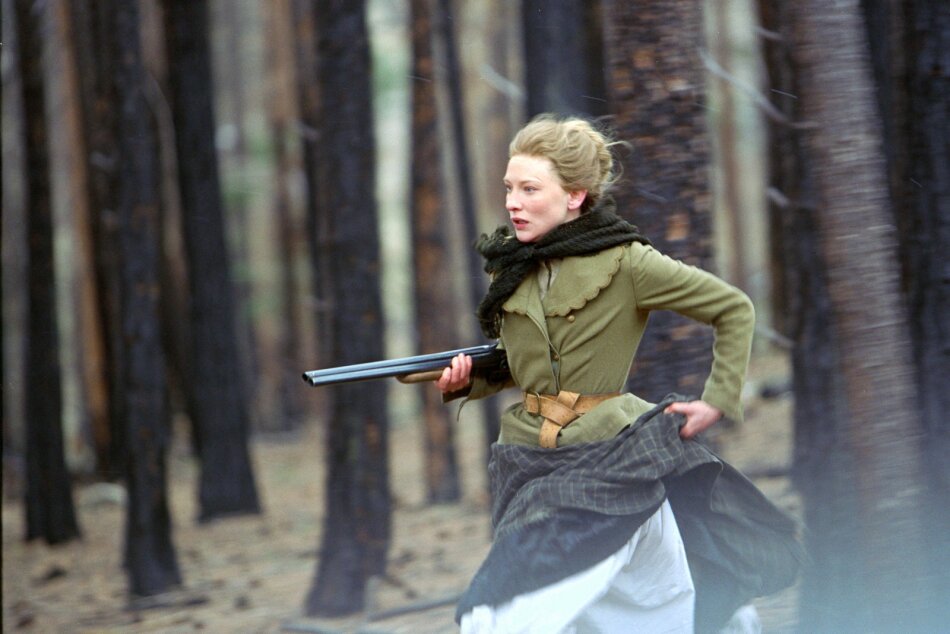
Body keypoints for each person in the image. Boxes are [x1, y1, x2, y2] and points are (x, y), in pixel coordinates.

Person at [435, 114, 801, 633]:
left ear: (575, 196)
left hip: (611, 457)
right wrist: (469, 379)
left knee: (498, 611)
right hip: (529, 461)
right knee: (646, 612)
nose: (513, 202)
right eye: (509, 188)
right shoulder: (513, 270)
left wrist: (717, 398)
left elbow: (733, 308)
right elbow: (528, 363)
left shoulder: (627, 262)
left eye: (530, 189)